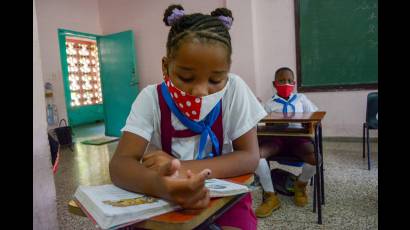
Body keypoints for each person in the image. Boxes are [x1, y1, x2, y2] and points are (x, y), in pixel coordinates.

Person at [109, 4, 267, 230]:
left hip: (225, 195)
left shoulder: (235, 90)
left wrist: (181, 169)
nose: (201, 91)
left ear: (227, 71)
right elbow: (120, 165)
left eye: (215, 80)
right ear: (166, 67)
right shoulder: (151, 99)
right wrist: (163, 186)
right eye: (186, 77)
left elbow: (250, 157)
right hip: (162, 197)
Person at [255, 67, 319, 218]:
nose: (286, 84)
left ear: (294, 83)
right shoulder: (269, 104)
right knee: (257, 157)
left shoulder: (301, 99)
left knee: (316, 158)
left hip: (298, 139)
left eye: (290, 81)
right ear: (274, 83)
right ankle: (271, 196)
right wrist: (256, 108)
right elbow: (261, 123)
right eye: (282, 81)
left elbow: (315, 117)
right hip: (276, 140)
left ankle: (300, 184)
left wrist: (307, 123)